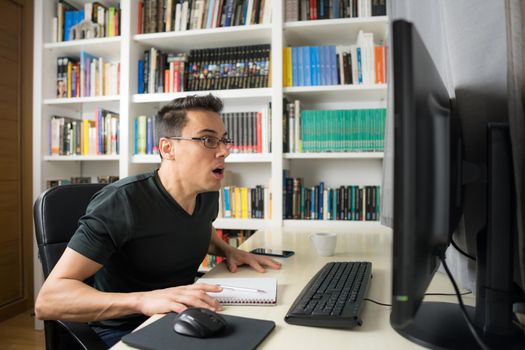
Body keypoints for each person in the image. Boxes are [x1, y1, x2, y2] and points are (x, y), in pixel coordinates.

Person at [35, 94, 281, 347]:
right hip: (126, 329)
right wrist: (141, 300)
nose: (225, 151)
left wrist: (227, 249)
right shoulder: (121, 202)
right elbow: (49, 300)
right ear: (167, 148)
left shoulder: (206, 194)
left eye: (223, 140)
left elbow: (196, 228)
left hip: (184, 316)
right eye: (208, 140)